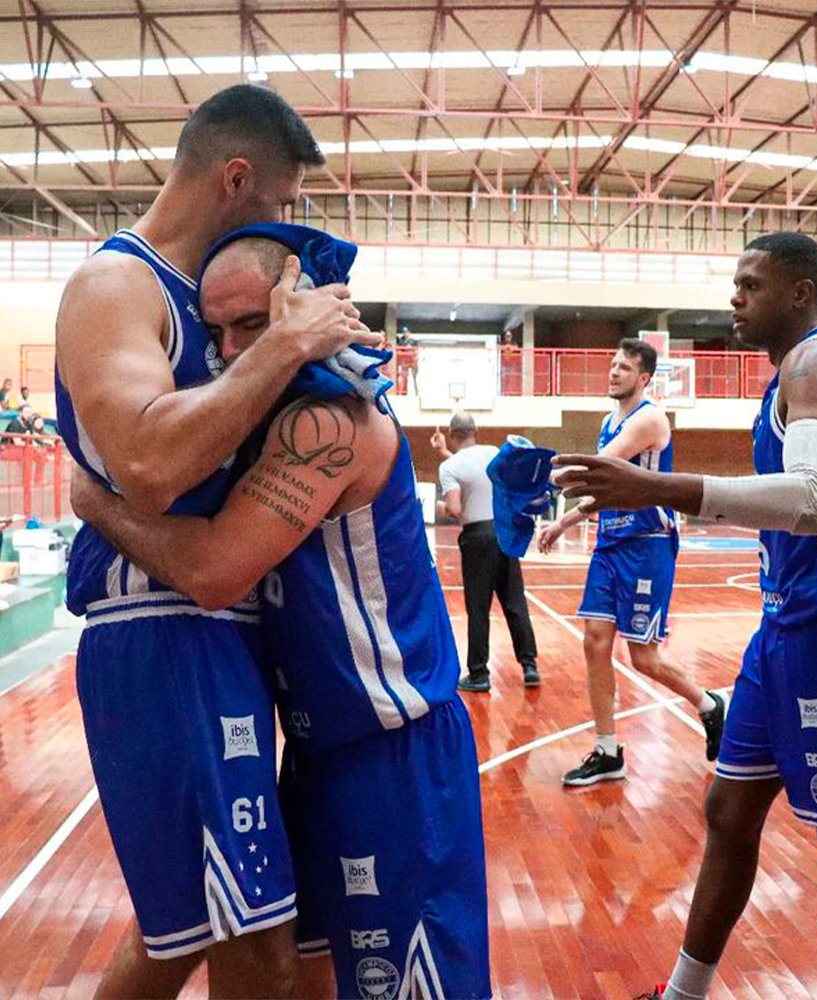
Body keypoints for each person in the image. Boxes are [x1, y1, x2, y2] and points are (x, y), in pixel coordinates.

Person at [72, 230, 490, 1000]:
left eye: (254, 327)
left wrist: (94, 497)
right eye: (215, 331)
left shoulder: (328, 424)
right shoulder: (257, 424)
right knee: (291, 975)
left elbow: (209, 571)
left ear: (305, 312)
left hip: (394, 754)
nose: (230, 350)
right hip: (313, 755)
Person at [55, 85, 378, 999]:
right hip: (163, 627)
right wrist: (282, 348)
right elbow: (149, 464)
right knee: (242, 946)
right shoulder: (116, 283)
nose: (285, 222)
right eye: (280, 201)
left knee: (224, 938)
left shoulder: (210, 307)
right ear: (236, 178)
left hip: (222, 628)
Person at [554, 233, 817, 1000]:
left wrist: (662, 488)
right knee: (728, 807)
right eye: (735, 283)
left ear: (801, 291)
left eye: (751, 284)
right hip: (791, 629)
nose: (734, 298)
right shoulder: (788, 378)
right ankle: (685, 992)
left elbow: (815, 501)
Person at [538, 339, 726, 786]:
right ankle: (607, 751)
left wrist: (539, 477)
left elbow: (598, 469)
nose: (614, 372)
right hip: (610, 542)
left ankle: (708, 704)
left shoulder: (649, 419)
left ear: (644, 377)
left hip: (647, 543)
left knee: (643, 658)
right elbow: (604, 490)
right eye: (613, 364)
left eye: (624, 367)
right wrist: (563, 524)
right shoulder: (608, 420)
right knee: (595, 641)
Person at [431, 412, 540, 691]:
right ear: (475, 431)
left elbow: (454, 509)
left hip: (477, 538)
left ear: (453, 434)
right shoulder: (492, 453)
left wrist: (436, 507)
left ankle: (479, 674)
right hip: (503, 530)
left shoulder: (450, 467)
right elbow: (477, 472)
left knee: (478, 607)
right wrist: (444, 452)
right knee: (514, 600)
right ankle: (530, 666)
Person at [394, 325, 417, 394]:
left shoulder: (413, 341)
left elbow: (415, 351)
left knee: (414, 377)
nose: (405, 333)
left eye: (406, 332)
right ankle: (403, 393)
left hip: (412, 361)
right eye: (404, 332)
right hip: (404, 361)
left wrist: (410, 349)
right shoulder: (402, 341)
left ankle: (415, 392)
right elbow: (399, 350)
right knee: (404, 377)